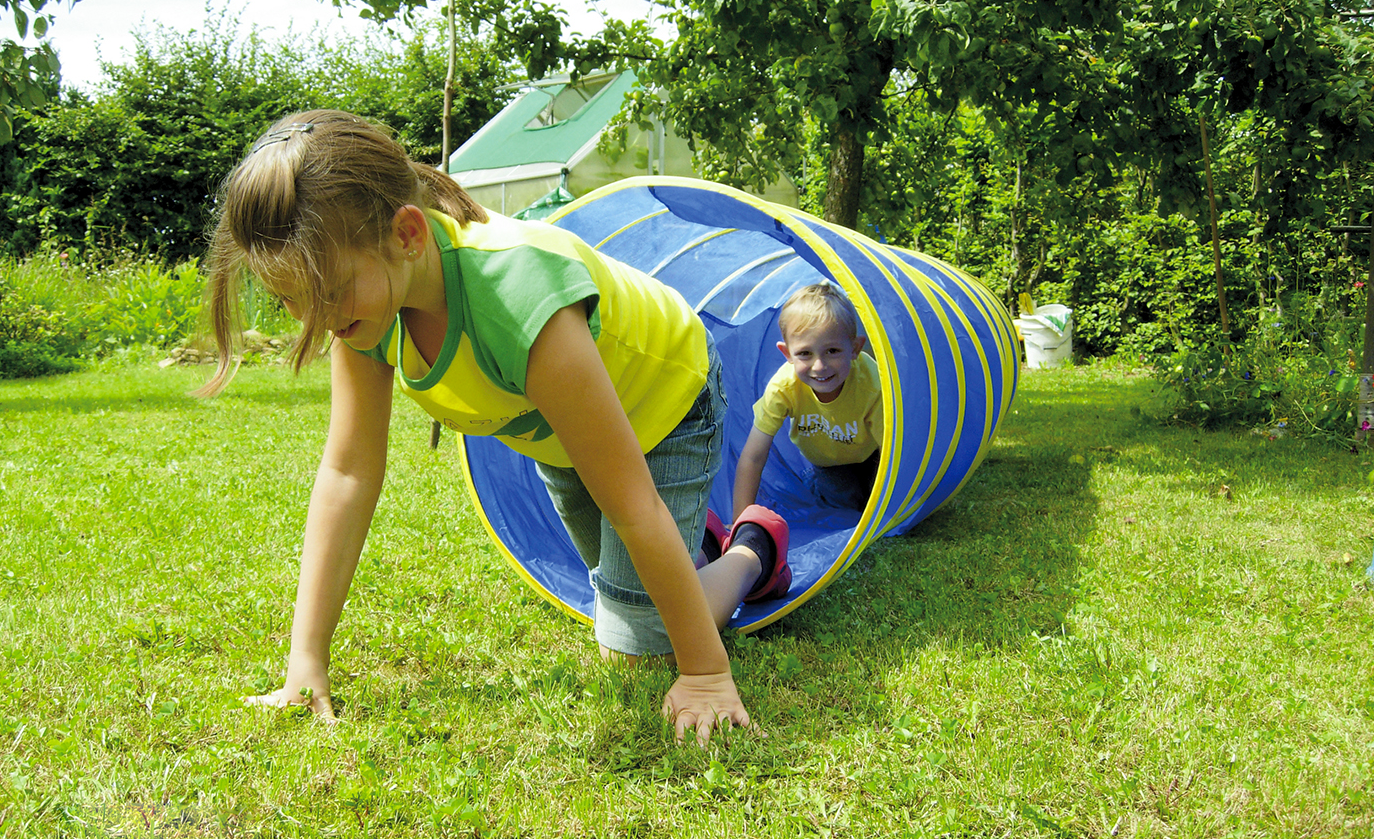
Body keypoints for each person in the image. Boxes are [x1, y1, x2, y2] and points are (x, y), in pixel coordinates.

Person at [200, 110, 791, 745]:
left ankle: (753, 549)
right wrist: (305, 661)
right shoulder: (360, 309)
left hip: (666, 400)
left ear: (406, 234)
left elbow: (632, 501)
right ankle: (691, 543)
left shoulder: (516, 294)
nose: (315, 319)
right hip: (562, 436)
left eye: (329, 291)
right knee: (636, 598)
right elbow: (348, 472)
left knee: (639, 645)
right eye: (292, 300)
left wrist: (704, 672)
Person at [732, 282, 882, 520]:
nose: (820, 366)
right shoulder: (783, 387)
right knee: (846, 505)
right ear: (787, 354)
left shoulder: (870, 383)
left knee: (874, 504)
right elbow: (754, 455)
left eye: (833, 351)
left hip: (875, 453)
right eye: (805, 353)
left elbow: (893, 449)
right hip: (829, 464)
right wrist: (740, 520)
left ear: (855, 348)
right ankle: (813, 480)